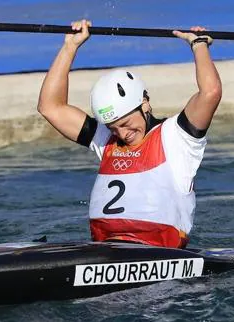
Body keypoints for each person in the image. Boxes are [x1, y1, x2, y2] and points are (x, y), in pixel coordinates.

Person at [37, 19, 222, 249]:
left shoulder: (177, 137)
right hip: (104, 251)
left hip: (158, 255)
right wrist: (70, 47)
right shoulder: (106, 139)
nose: (122, 134)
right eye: (113, 127)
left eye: (125, 123)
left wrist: (199, 45)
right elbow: (50, 107)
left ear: (144, 103)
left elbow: (210, 92)